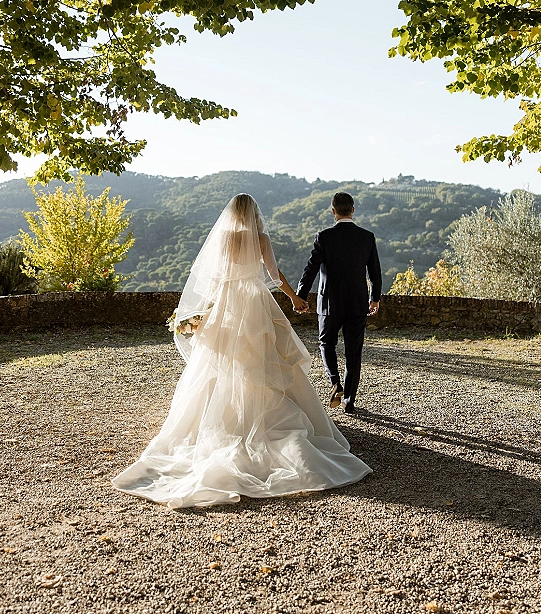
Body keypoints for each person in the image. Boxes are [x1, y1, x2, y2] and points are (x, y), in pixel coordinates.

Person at [112, 194, 371, 508]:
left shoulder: (222, 237)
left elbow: (212, 278)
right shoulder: (260, 237)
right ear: (254, 215)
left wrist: (202, 313)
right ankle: (263, 420)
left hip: (226, 305)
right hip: (254, 301)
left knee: (225, 364)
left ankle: (227, 419)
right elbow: (274, 276)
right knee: (264, 361)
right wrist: (293, 298)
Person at [297, 192, 382, 415]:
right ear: (352, 210)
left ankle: (335, 382)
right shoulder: (367, 237)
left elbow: (311, 269)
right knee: (354, 353)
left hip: (329, 303)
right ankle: (350, 401)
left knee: (326, 343)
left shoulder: (324, 237)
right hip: (357, 302)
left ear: (333, 211)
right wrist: (374, 298)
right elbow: (375, 273)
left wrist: (301, 296)